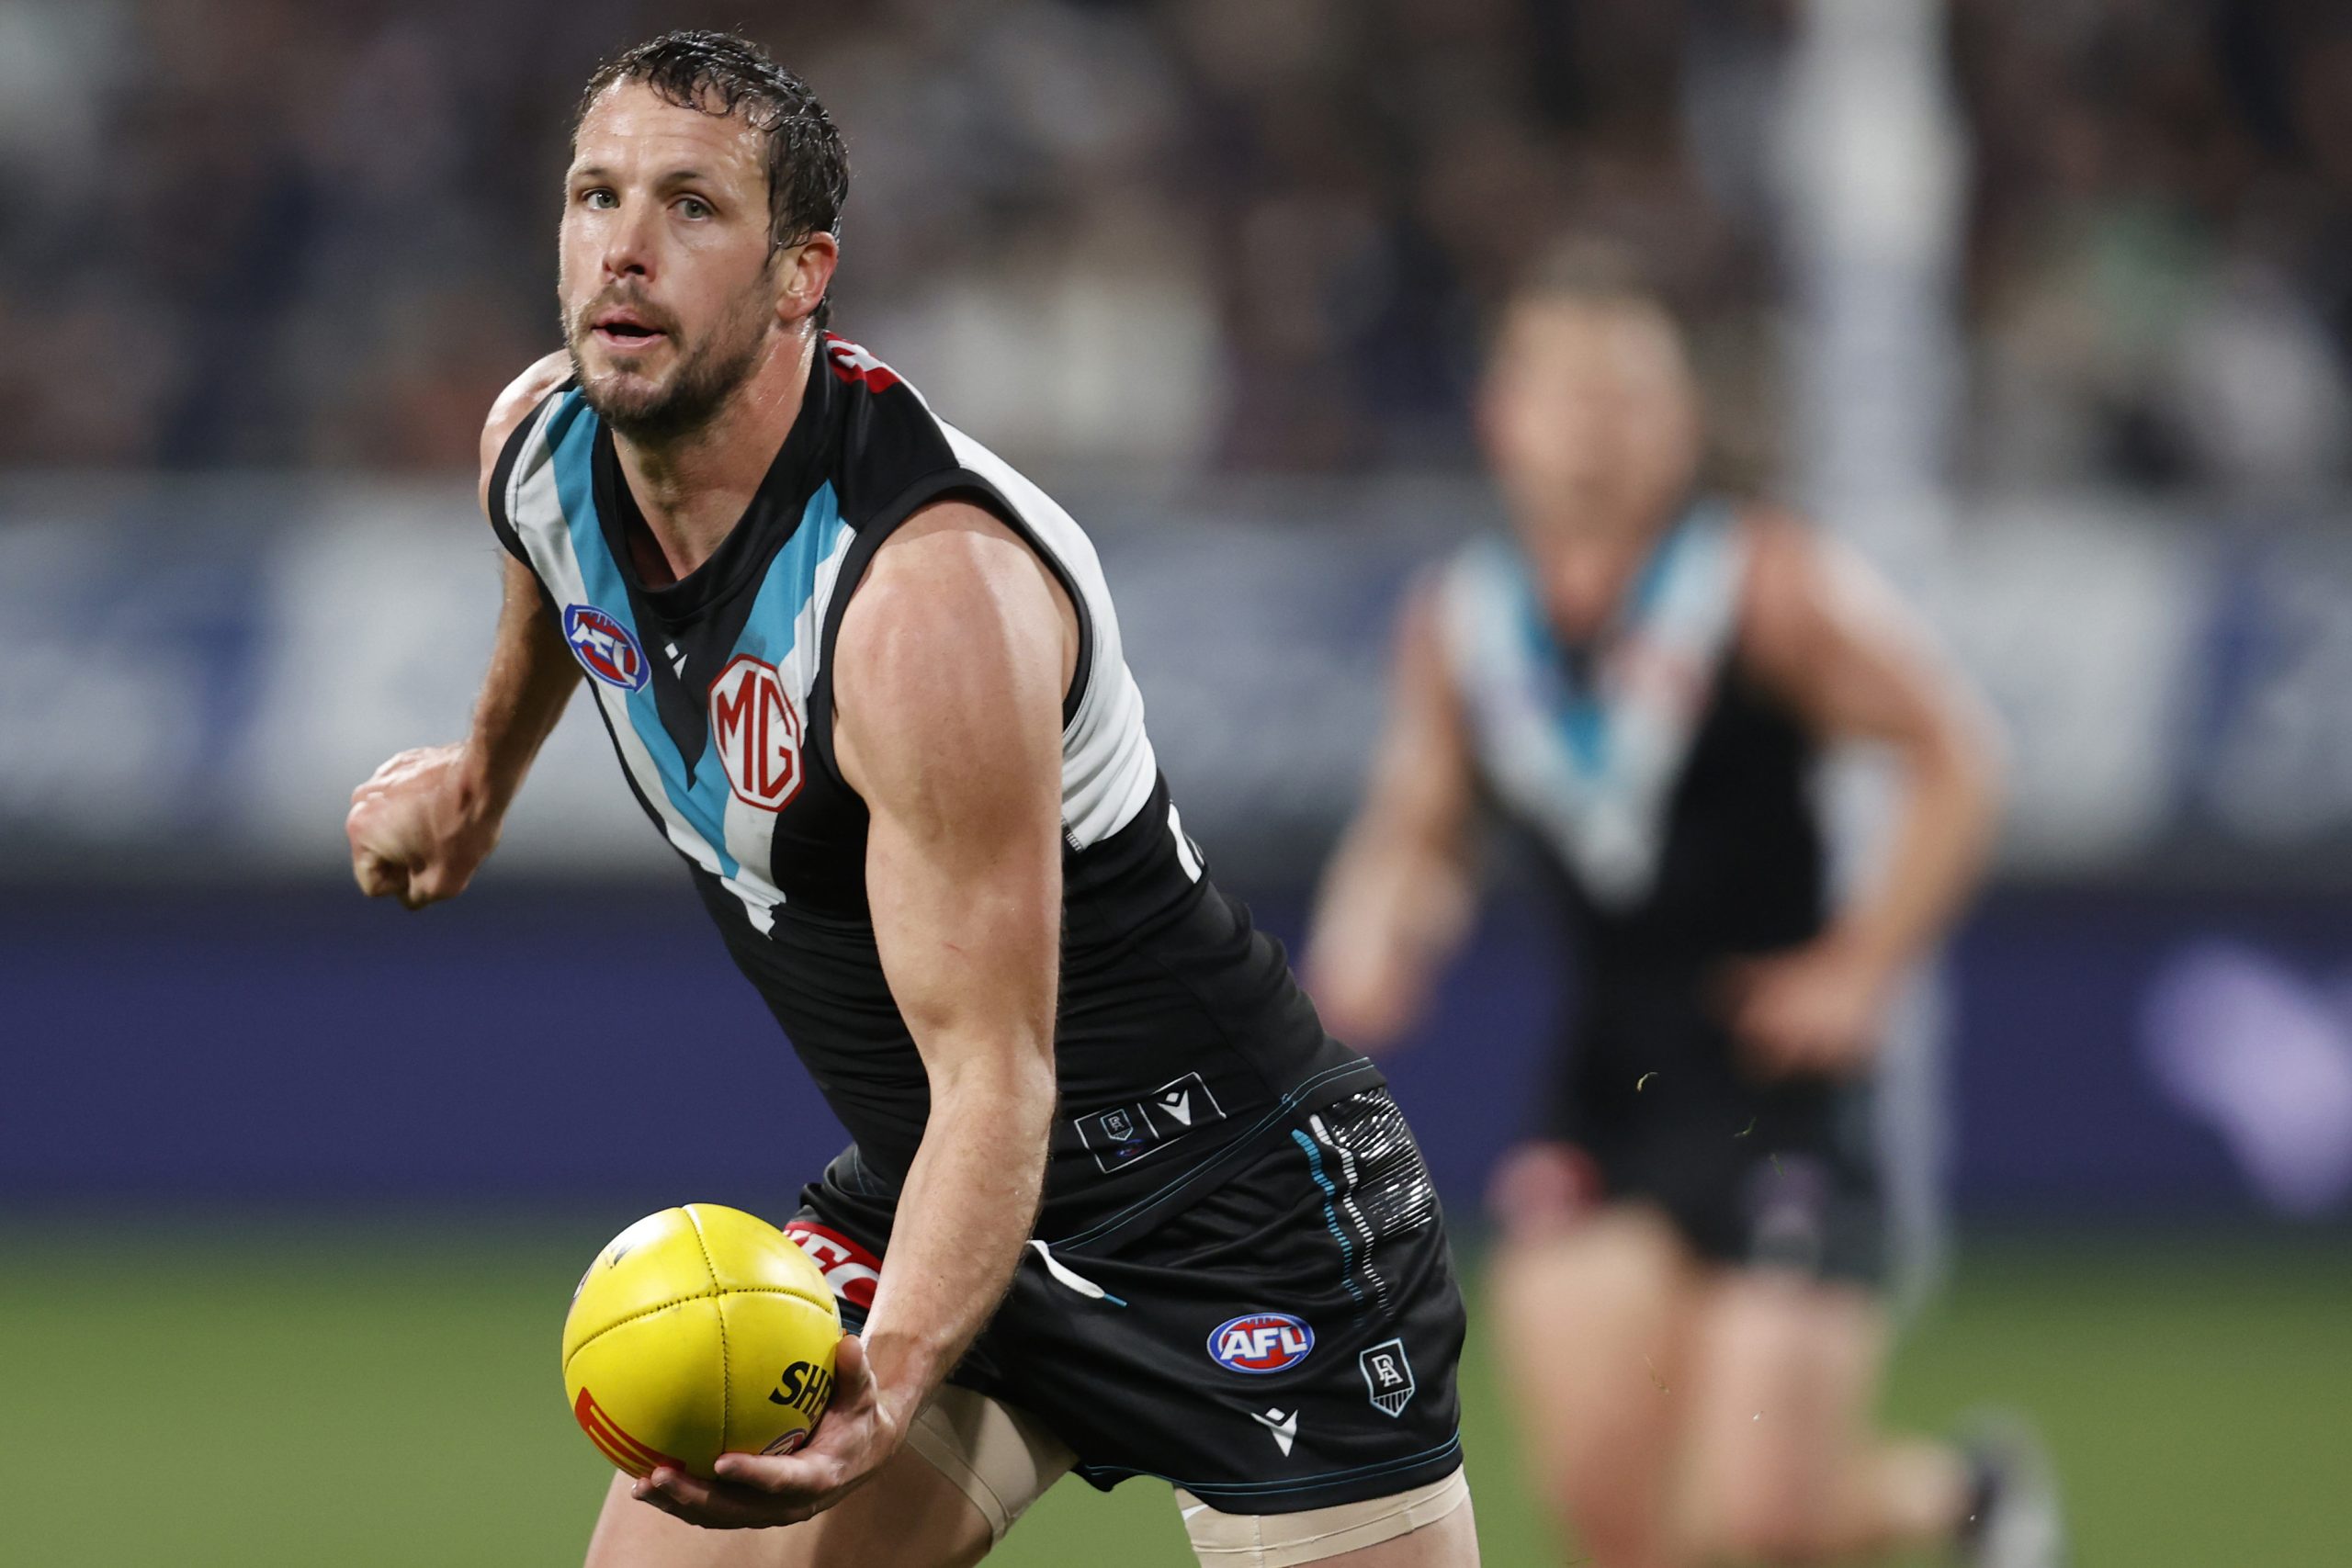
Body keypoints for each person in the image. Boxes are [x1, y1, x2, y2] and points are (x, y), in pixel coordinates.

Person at [345, 30, 1476, 1568]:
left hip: (1229, 1209)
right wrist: (479, 784)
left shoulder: (919, 599)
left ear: (802, 273)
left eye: (691, 207)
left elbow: (1003, 1075)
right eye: (595, 195)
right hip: (938, 1189)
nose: (624, 244)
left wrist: (886, 1390)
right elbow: (554, 581)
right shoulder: (540, 450)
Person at [1306, 246, 2059, 1568]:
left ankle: (1962, 1492)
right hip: (1605, 1080)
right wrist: (1380, 927)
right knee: (1608, 1507)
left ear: (1682, 420)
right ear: (1503, 417)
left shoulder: (1764, 583)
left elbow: (1957, 758)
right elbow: (1418, 821)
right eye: (1565, 393)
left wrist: (1860, 966)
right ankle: (1955, 1496)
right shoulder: (1466, 620)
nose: (1595, 428)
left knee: (1757, 1518)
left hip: (1778, 1079)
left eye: (1626, 397)